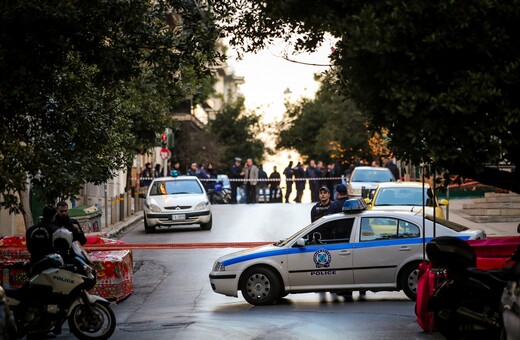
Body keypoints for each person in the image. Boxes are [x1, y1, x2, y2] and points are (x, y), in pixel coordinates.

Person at [326, 184, 366, 300]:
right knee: (357, 266)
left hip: (340, 241)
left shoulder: (334, 206)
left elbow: (328, 224)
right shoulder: (354, 204)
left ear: (337, 193)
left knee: (342, 267)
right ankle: (361, 289)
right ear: (346, 192)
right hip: (357, 240)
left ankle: (345, 290)